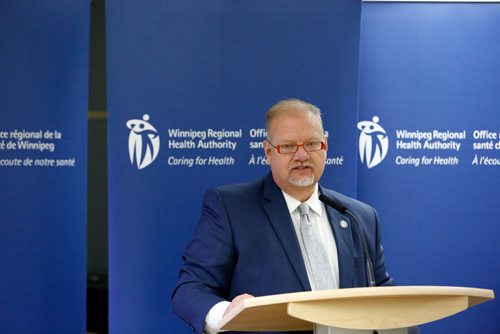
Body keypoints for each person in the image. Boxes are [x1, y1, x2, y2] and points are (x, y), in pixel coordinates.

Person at [172, 99, 394, 334]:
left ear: (325, 146)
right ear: (268, 152)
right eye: (288, 146)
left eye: (311, 144)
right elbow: (191, 288)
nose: (302, 155)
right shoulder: (231, 208)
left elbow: (382, 292)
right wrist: (228, 314)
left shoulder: (358, 216)